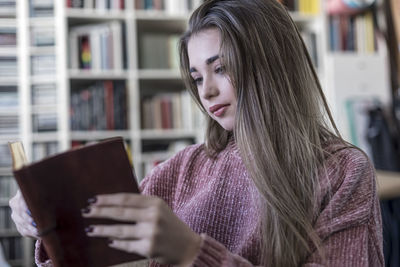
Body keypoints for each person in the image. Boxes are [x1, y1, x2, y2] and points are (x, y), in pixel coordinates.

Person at [9, 0, 383, 266]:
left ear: (271, 64)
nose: (206, 92)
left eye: (220, 68)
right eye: (196, 77)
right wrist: (46, 221)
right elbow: (98, 248)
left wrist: (191, 253)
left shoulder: (344, 172)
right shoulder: (182, 169)